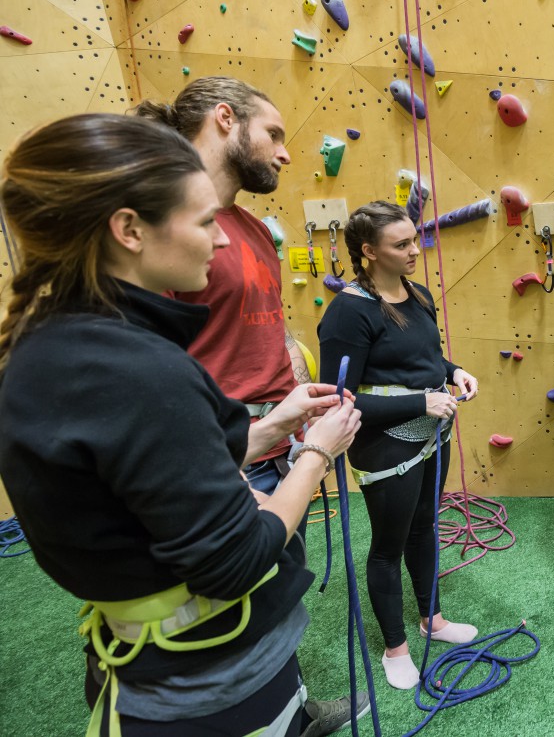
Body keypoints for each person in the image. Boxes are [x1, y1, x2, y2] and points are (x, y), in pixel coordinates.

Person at [0, 114, 366, 737]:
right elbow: (237, 561)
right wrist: (317, 455)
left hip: (157, 671)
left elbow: (157, 472)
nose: (220, 242)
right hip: (207, 688)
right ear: (129, 230)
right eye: (203, 223)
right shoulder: (137, 371)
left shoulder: (57, 345)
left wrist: (271, 427)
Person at [317, 201, 481, 690]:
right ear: (369, 252)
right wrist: (421, 403)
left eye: (414, 239)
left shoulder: (416, 293)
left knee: (424, 528)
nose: (415, 251)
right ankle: (395, 649)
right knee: (388, 548)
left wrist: (454, 371)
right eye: (402, 244)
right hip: (385, 444)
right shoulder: (348, 312)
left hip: (431, 434)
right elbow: (338, 400)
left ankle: (433, 619)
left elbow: (422, 357)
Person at [135, 77, 308, 496]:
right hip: (220, 456)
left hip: (283, 447)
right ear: (226, 118)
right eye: (273, 135)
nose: (284, 154)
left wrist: (303, 409)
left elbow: (274, 328)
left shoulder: (256, 230)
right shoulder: (163, 227)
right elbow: (148, 366)